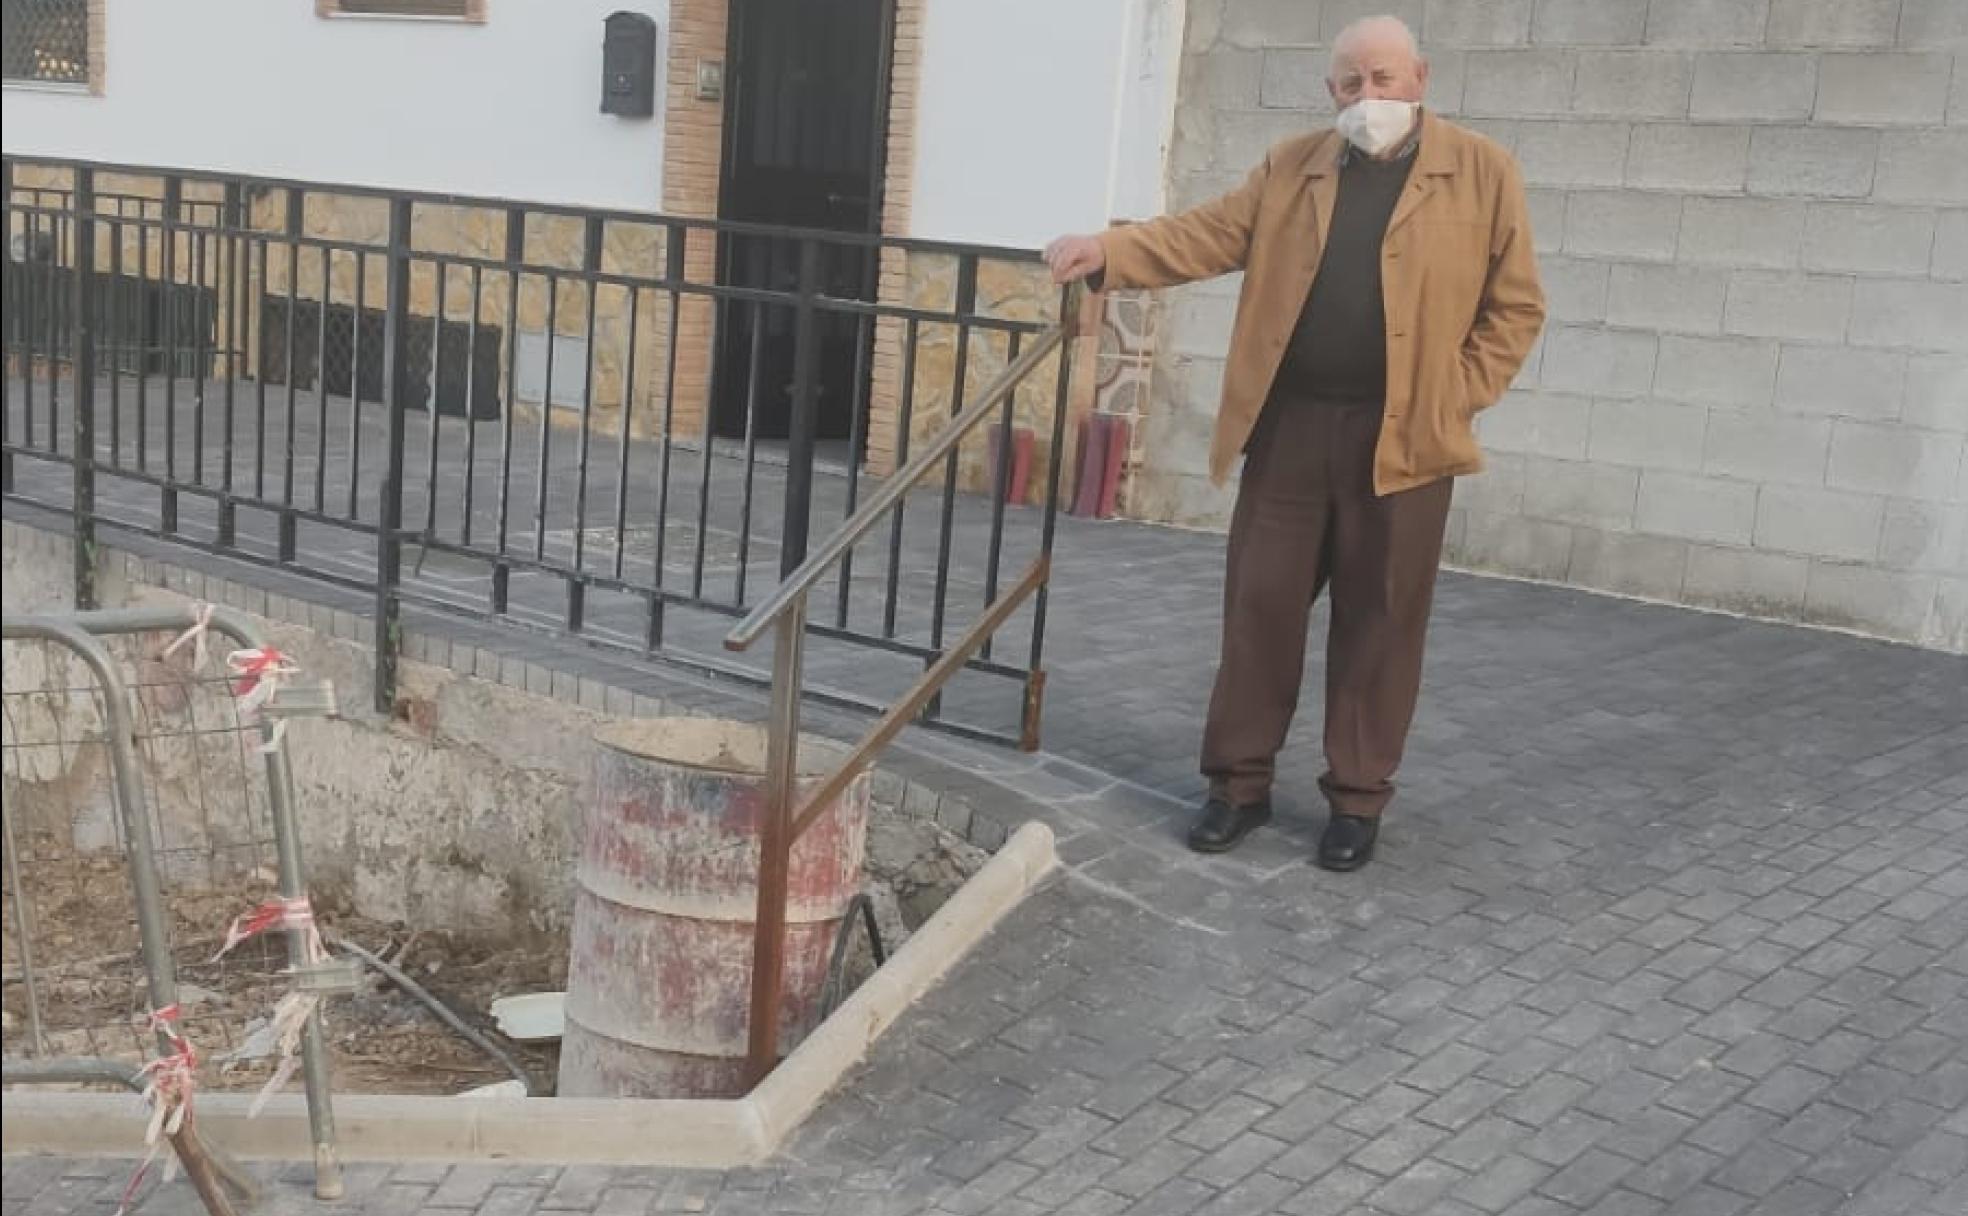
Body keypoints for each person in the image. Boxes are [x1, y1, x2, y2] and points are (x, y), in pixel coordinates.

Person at [1044, 15, 1545, 871]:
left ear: (1419, 78)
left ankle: (1356, 800)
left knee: (1380, 622)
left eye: (1384, 80)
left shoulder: (1483, 171)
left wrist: (1455, 399)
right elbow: (1205, 234)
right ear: (1331, 92)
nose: (1368, 98)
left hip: (1407, 441)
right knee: (1259, 611)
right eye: (1352, 83)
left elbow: (1517, 307)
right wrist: (1109, 250)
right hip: (1291, 429)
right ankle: (1237, 785)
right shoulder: (1292, 166)